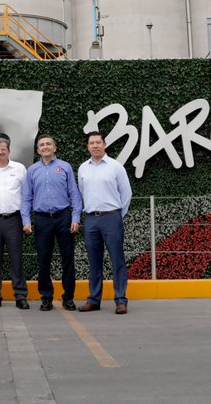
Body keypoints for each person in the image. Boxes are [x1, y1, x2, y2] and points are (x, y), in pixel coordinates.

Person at [21, 134, 82, 311]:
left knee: (68, 258)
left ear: (54, 148)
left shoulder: (65, 167)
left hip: (64, 218)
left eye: (49, 144)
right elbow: (26, 198)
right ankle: (46, 297)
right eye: (42, 145)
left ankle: (68, 297)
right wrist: (26, 220)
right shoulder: (32, 170)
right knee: (43, 260)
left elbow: (75, 194)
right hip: (42, 220)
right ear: (38, 150)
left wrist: (76, 218)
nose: (45, 147)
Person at [77, 131, 133, 315]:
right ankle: (94, 300)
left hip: (111, 218)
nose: (95, 145)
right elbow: (82, 191)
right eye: (91, 143)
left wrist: (117, 215)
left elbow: (126, 194)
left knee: (117, 260)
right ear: (87, 146)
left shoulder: (115, 167)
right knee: (94, 261)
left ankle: (120, 300)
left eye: (98, 142)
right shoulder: (83, 168)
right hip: (91, 219)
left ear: (104, 144)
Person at [0, 137, 29, 309]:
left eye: (3, 149)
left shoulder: (19, 169)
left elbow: (26, 196)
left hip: (14, 220)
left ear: (9, 151)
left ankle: (20, 295)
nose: (0, 152)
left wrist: (26, 220)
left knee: (16, 259)